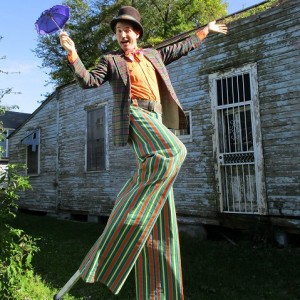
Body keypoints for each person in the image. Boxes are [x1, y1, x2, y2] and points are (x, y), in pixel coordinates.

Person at [59, 6, 227, 300]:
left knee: (163, 213)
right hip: (134, 116)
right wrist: (73, 54)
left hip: (157, 117)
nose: (123, 35)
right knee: (174, 151)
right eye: (118, 31)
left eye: (127, 30)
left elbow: (181, 46)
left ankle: (158, 293)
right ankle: (129, 201)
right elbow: (89, 81)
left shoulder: (153, 54)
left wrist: (206, 30)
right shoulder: (111, 61)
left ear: (137, 33)